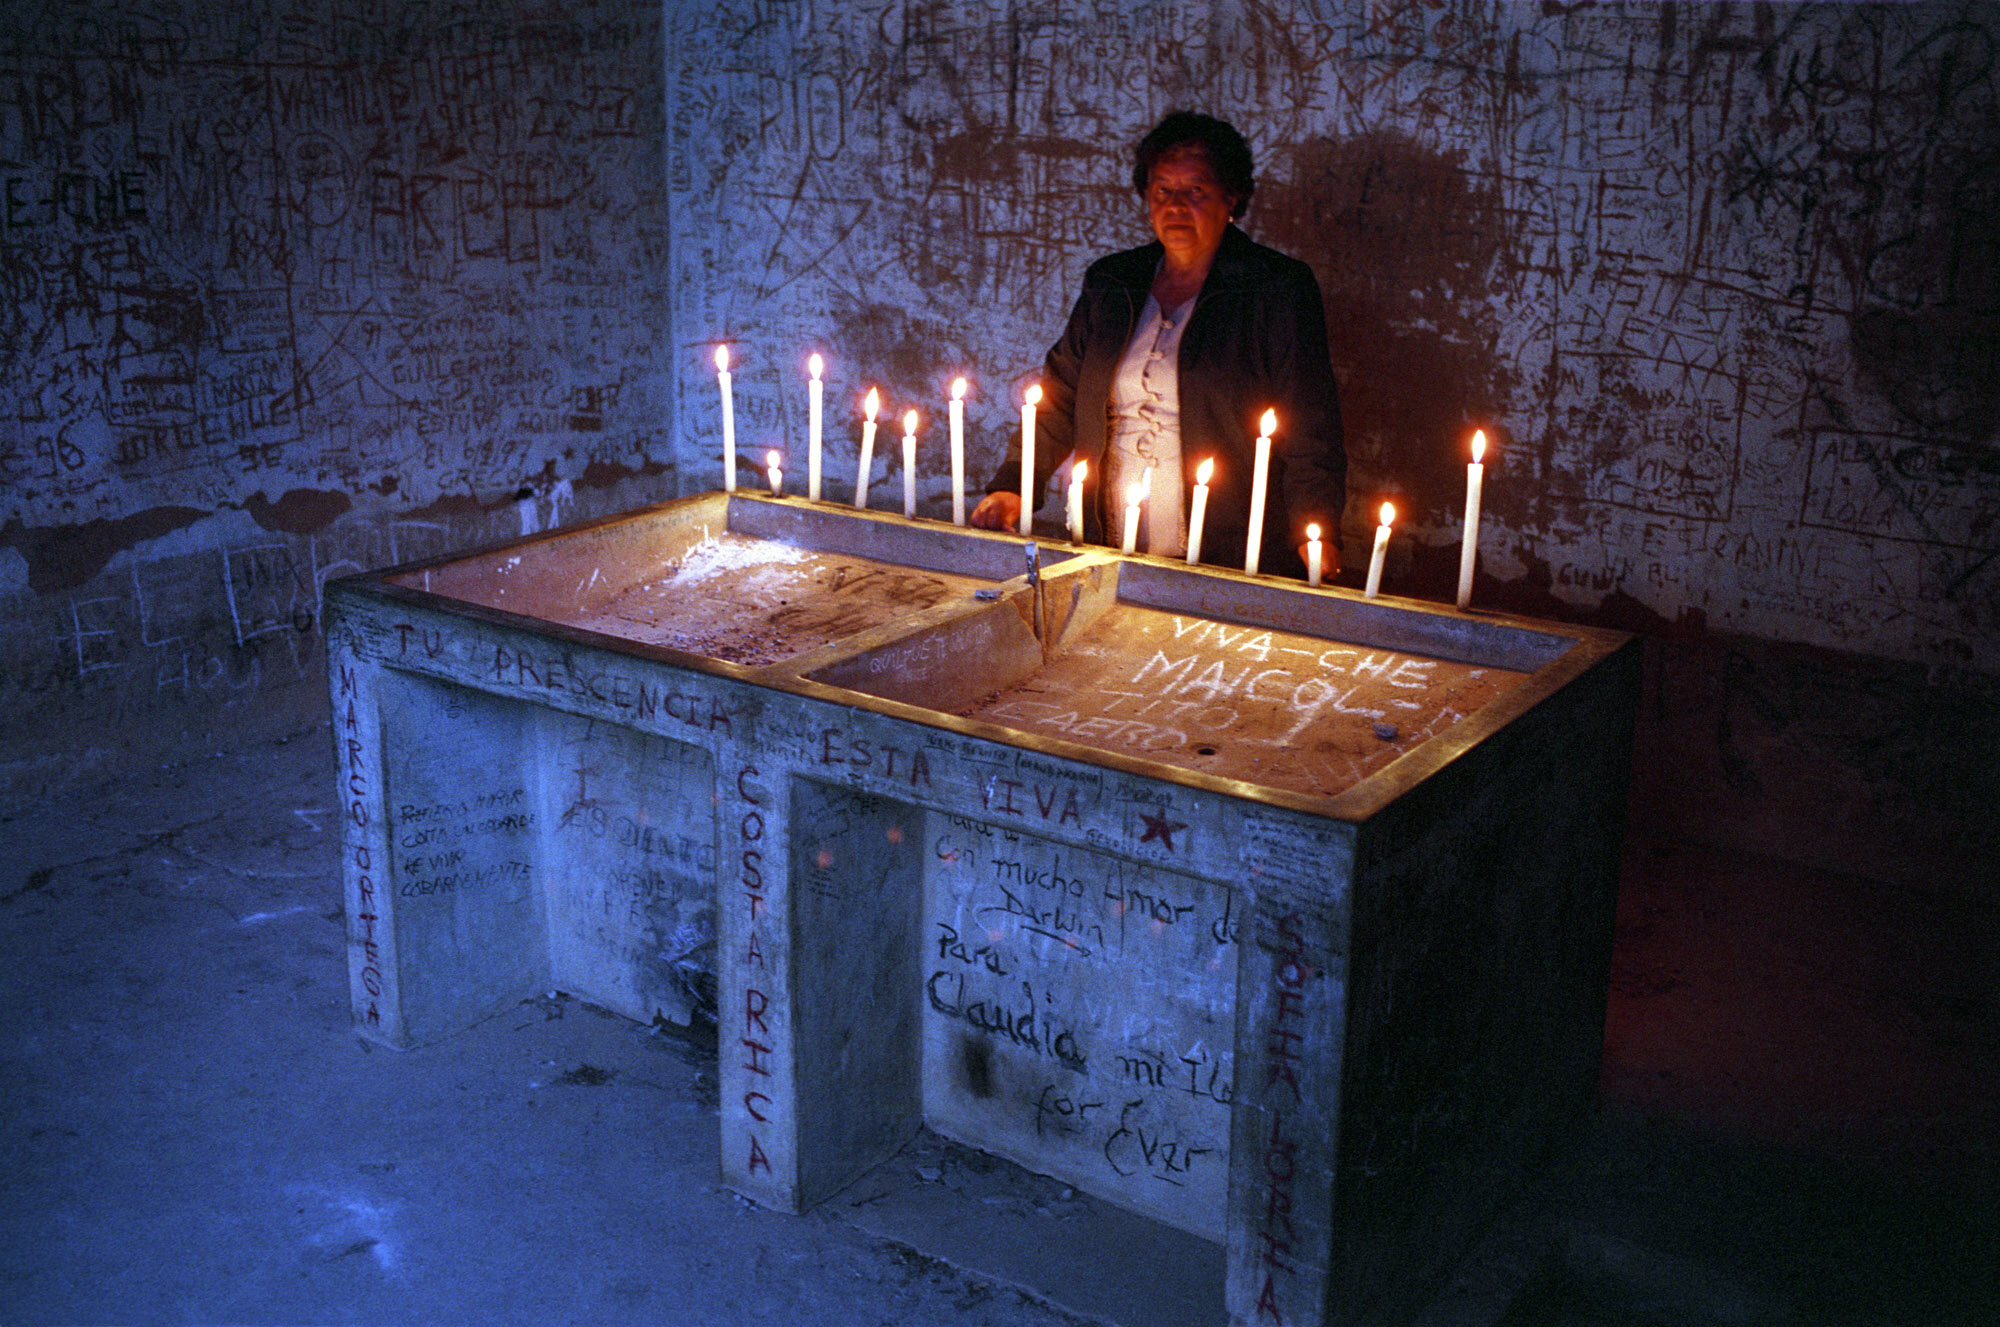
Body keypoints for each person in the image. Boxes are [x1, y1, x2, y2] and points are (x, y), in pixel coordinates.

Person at [969, 111, 1345, 579]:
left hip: (1227, 538)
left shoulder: (1274, 288)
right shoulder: (1112, 283)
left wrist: (1317, 529)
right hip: (1108, 527)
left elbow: (1310, 421)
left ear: (1233, 197)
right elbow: (1060, 395)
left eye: (1196, 191)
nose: (1176, 205)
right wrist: (1016, 485)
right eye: (1163, 191)